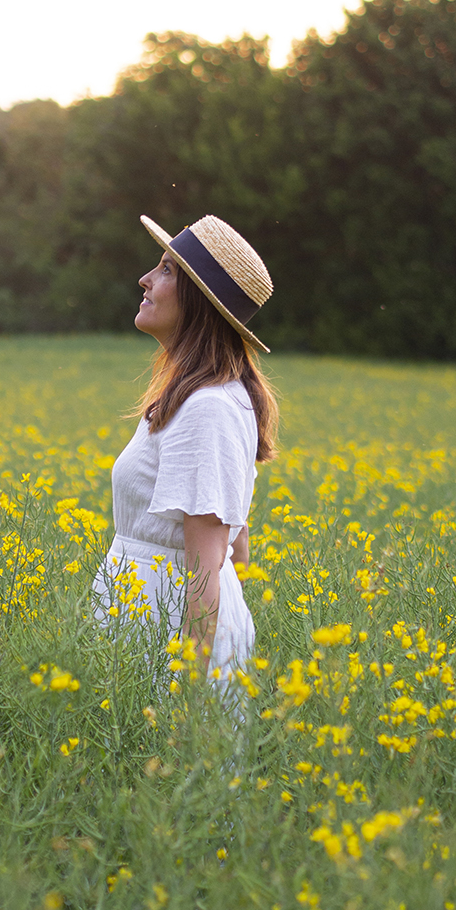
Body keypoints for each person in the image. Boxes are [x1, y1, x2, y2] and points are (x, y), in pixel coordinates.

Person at [93, 213, 278, 684]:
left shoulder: (209, 409)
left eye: (167, 269)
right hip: (148, 619)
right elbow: (237, 549)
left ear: (199, 301)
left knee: (163, 758)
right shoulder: (192, 397)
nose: (146, 279)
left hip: (169, 636)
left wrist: (188, 696)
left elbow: (209, 568)